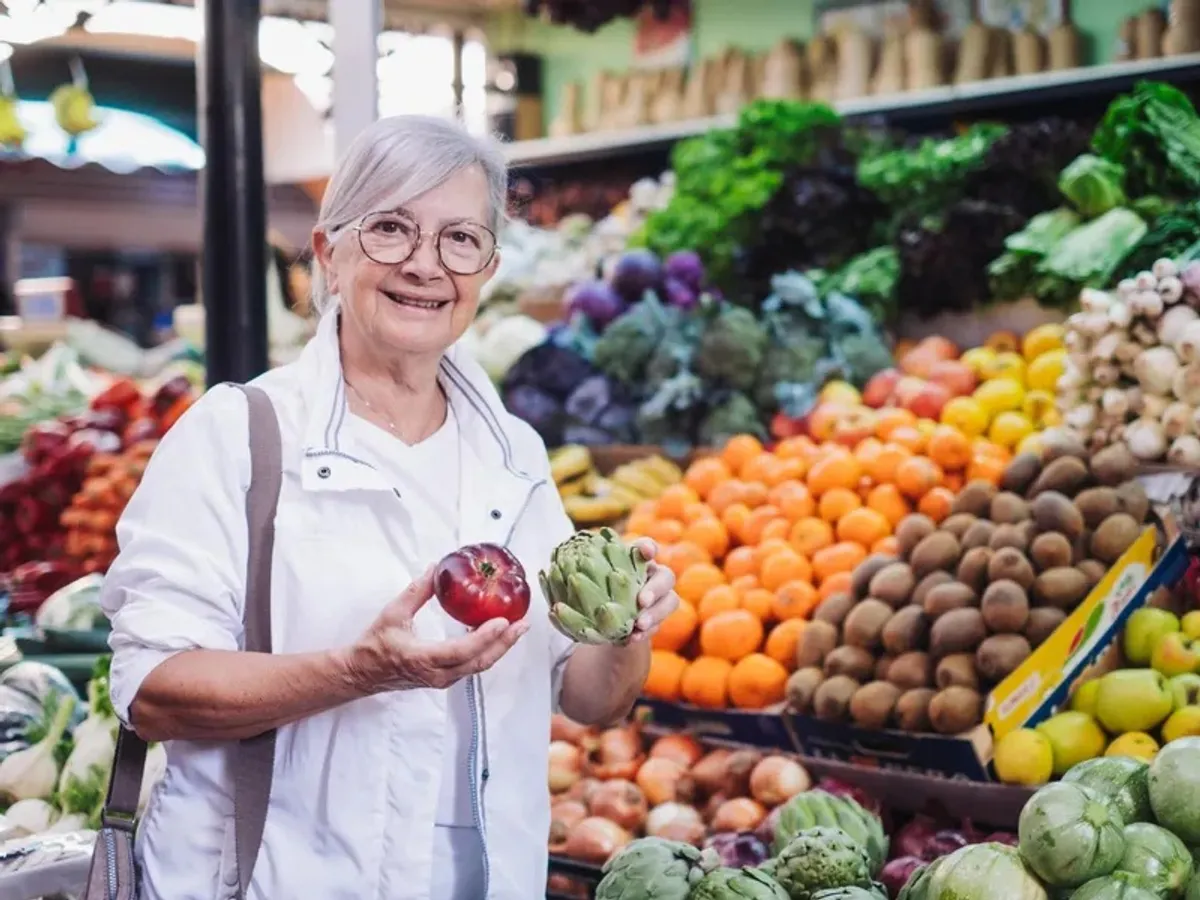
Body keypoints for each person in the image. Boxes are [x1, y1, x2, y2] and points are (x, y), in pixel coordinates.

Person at [99, 114, 680, 900]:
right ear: (327, 254)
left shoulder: (515, 458)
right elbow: (154, 690)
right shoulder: (237, 437)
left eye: (459, 239)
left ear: (488, 268)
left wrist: (628, 626)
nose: (424, 265)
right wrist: (358, 672)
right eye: (391, 228)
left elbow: (591, 701)